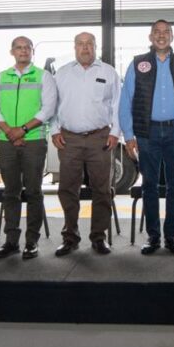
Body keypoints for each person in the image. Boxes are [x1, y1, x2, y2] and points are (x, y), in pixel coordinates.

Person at [119, 19, 174, 256]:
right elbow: (126, 100)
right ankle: (153, 236)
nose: (161, 35)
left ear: (172, 36)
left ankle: (171, 236)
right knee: (149, 186)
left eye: (166, 32)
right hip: (147, 133)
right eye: (157, 32)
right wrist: (128, 135)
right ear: (150, 37)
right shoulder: (138, 63)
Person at [51, 32, 121, 256]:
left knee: (102, 189)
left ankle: (99, 237)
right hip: (69, 139)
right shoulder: (62, 73)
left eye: (89, 44)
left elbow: (118, 105)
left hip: (99, 138)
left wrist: (115, 133)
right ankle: (70, 237)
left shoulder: (108, 72)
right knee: (67, 189)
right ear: (74, 47)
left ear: (95, 47)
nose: (85, 48)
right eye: (80, 44)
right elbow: (52, 105)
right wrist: (54, 131)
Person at [0, 36, 56, 260]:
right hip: (7, 141)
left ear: (32, 52)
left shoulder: (43, 76)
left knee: (34, 192)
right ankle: (11, 241)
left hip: (34, 140)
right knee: (10, 192)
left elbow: (48, 109)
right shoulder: (1, 77)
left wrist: (23, 130)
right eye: (19, 47)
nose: (23, 50)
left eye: (27, 47)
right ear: (12, 51)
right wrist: (10, 131)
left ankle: (31, 242)